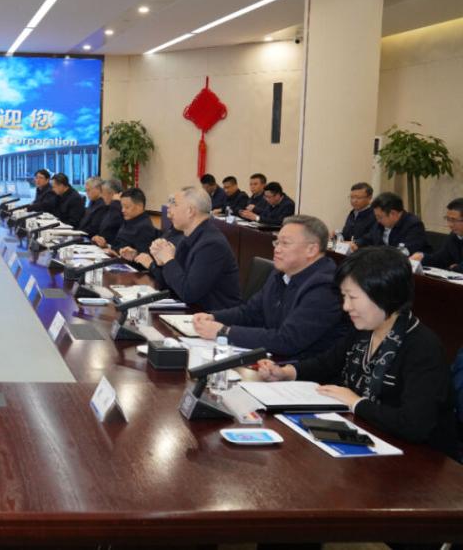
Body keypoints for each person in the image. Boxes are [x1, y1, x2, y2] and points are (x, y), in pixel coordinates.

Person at [257, 247, 458, 458]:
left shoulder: (422, 348)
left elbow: (415, 424)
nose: (346, 307)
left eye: (352, 297)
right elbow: (327, 363)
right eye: (344, 297)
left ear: (384, 294)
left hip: (420, 459)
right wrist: (286, 372)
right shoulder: (364, 330)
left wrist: (356, 402)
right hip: (367, 438)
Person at [192, 215, 347, 359]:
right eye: (277, 242)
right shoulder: (280, 273)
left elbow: (287, 340)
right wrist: (213, 317)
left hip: (301, 370)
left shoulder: (325, 288)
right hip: (273, 360)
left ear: (311, 249)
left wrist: (225, 332)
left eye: (285, 243)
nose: (277, 249)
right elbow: (250, 312)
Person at [133, 186, 240, 310]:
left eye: (175, 204)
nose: (169, 210)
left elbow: (188, 293)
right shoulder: (189, 237)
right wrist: (161, 263)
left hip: (212, 315)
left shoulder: (211, 244)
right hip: (193, 311)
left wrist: (168, 260)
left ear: (190, 211)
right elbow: (172, 283)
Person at [354, 191, 430, 255]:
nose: (378, 220)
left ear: (393, 213)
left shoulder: (413, 225)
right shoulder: (380, 224)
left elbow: (404, 251)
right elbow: (368, 238)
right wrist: (355, 244)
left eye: (380, 217)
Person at [94, 187, 158, 255]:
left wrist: (123, 255)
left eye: (127, 207)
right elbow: (119, 245)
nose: (123, 210)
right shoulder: (129, 219)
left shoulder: (145, 227)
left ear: (139, 206)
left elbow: (142, 257)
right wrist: (106, 245)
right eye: (122, 206)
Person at [411, 197, 462, 270]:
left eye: (454, 220)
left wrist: (455, 268)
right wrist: (423, 257)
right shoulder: (453, 236)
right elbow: (441, 259)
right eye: (448, 219)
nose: (450, 224)